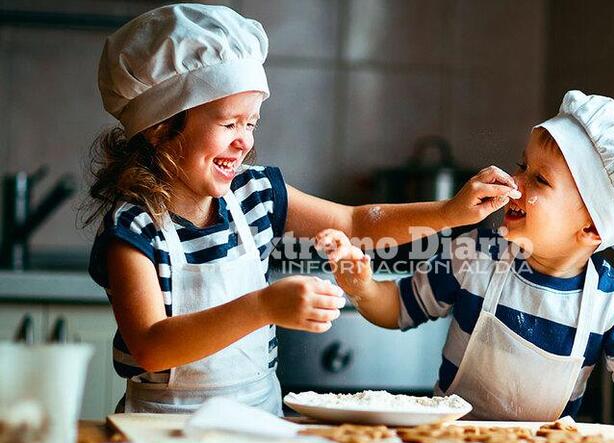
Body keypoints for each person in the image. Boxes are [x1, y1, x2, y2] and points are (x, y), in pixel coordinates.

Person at [85, 4, 517, 414]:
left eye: (251, 123)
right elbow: (150, 345)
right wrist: (262, 307)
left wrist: (450, 213)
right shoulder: (134, 228)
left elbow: (356, 222)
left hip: (258, 425)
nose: (245, 141)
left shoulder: (256, 194)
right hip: (159, 434)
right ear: (161, 127)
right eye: (229, 122)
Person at [320, 90, 614, 431]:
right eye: (521, 165)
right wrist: (363, 287)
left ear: (592, 227)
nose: (515, 183)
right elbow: (397, 308)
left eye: (539, 180)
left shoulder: (612, 306)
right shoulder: (475, 254)